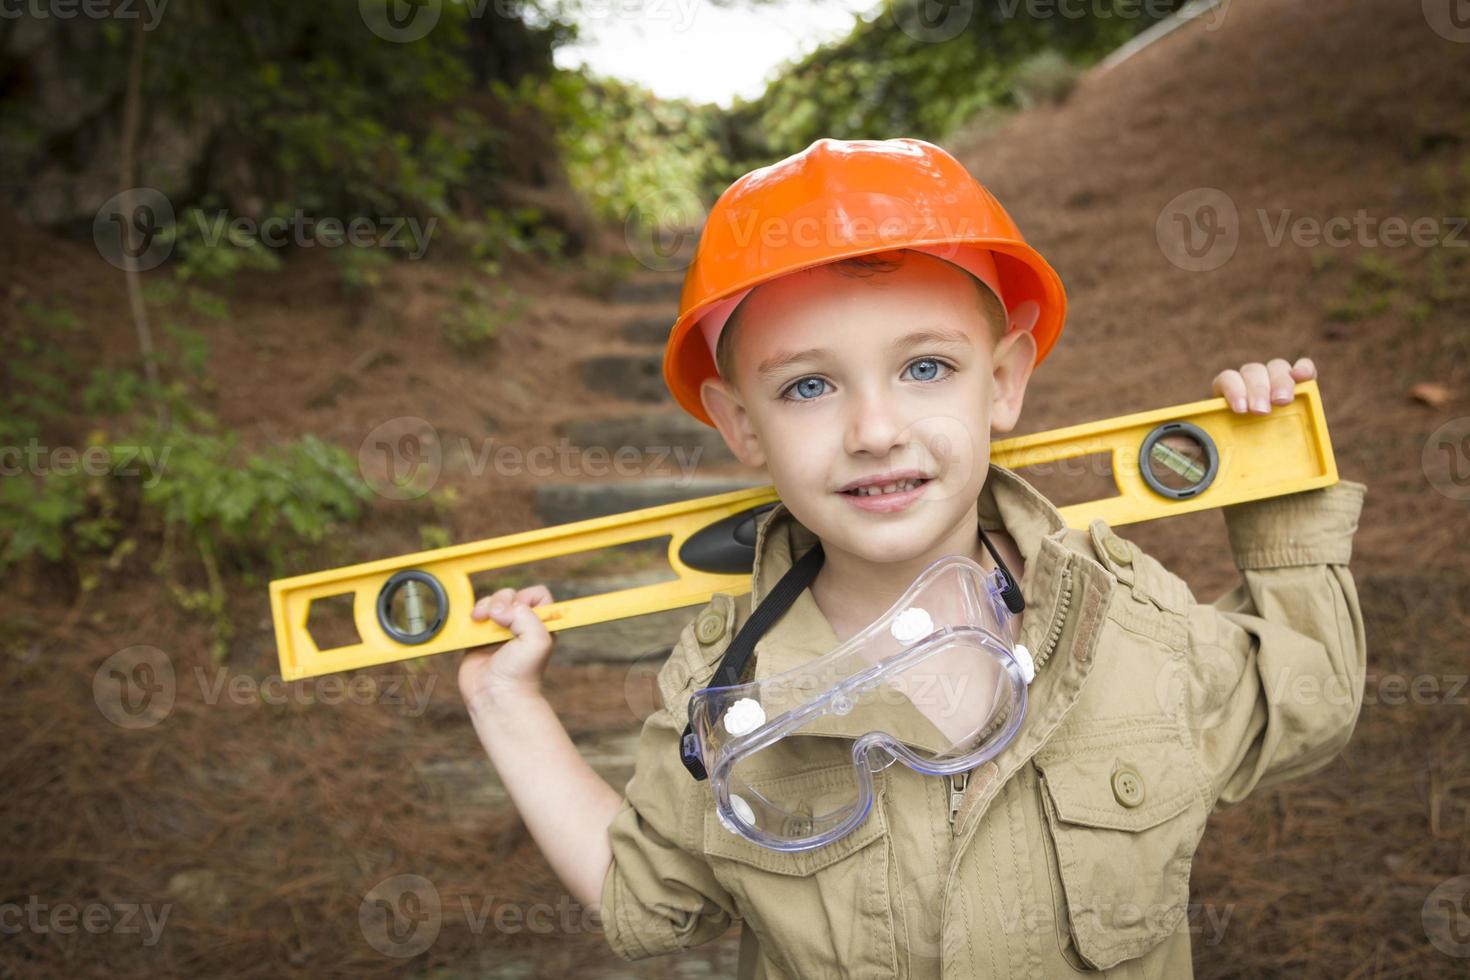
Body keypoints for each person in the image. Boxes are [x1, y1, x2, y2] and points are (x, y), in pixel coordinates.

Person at [457, 137, 1368, 978]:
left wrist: (1278, 499)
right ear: (742, 423)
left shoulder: (1116, 614)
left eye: (925, 367)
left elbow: (1307, 703)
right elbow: (647, 907)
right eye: (809, 385)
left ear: (1003, 381)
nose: (876, 431)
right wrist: (507, 705)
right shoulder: (727, 698)